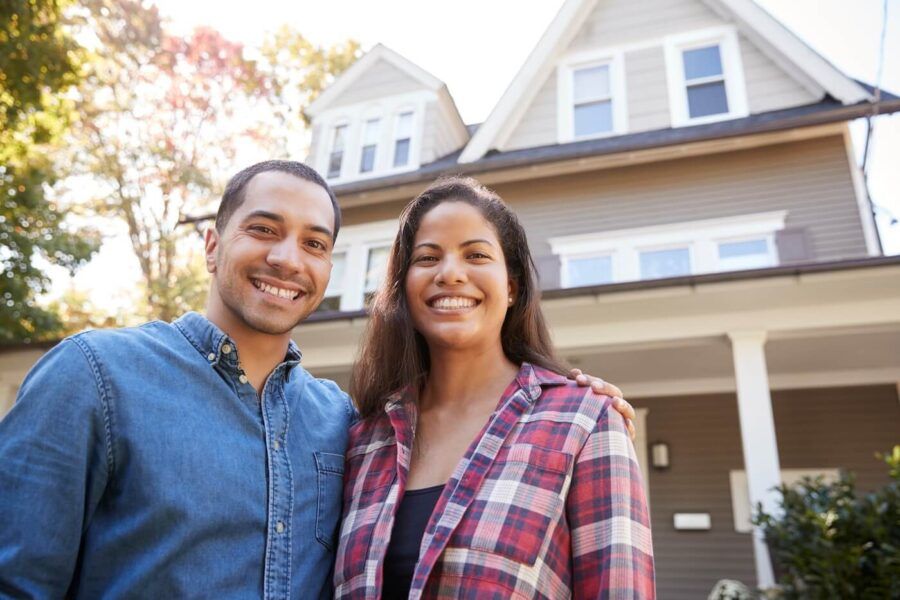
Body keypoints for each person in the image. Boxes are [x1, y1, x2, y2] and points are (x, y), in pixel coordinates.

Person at [0, 160, 633, 598]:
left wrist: (574, 401)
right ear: (212, 244)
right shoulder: (96, 376)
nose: (286, 259)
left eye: (314, 242)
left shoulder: (341, 424)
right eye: (264, 230)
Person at [334, 177, 655, 598]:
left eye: (476, 255)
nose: (450, 273)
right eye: (428, 257)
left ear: (511, 287)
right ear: (403, 289)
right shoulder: (363, 440)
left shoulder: (585, 422)